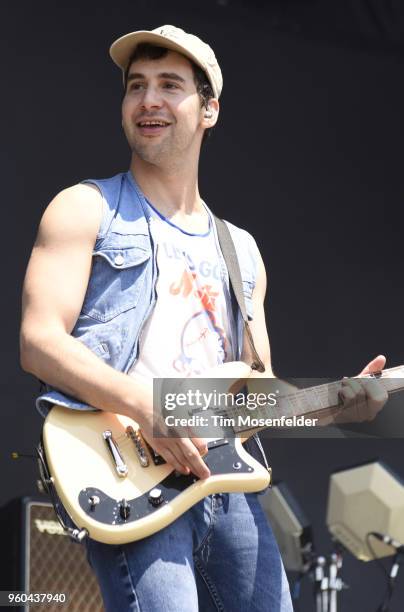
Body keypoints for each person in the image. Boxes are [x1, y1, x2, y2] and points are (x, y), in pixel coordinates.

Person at [20, 25, 387, 611]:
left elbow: (251, 403)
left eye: (170, 85)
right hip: (127, 475)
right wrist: (148, 408)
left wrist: (340, 404)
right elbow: (39, 342)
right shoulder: (85, 208)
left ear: (209, 109)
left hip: (225, 489)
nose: (150, 100)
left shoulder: (241, 251)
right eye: (137, 86)